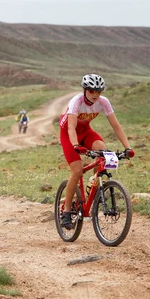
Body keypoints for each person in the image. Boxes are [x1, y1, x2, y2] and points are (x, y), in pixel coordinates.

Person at [59, 74, 133, 230]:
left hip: (86, 132)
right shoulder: (76, 102)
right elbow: (70, 127)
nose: (95, 94)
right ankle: (66, 211)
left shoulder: (103, 102)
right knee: (77, 171)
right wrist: (75, 145)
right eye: (92, 91)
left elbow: (116, 126)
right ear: (85, 90)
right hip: (68, 134)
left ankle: (94, 183)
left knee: (103, 152)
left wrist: (128, 148)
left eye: (98, 91)